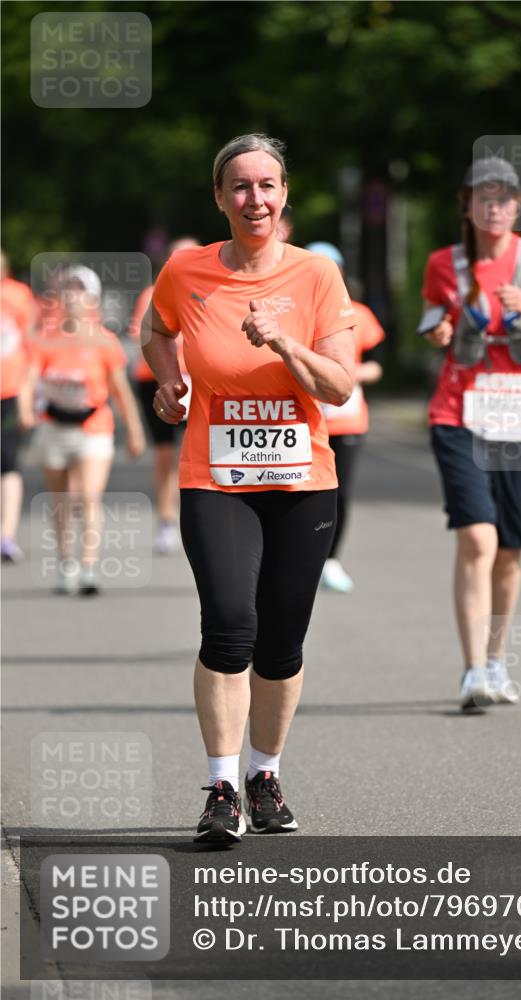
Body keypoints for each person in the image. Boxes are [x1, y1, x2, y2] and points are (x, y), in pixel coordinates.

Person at [140, 133, 356, 843]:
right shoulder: (186, 270)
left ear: (284, 194)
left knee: (281, 642)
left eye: (266, 185)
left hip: (302, 484)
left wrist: (284, 342)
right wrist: (170, 381)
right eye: (240, 186)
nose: (254, 198)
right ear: (219, 197)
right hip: (217, 479)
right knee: (230, 627)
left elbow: (338, 386)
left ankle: (266, 775)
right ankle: (222, 787)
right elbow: (154, 329)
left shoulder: (316, 276)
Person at [420, 157, 521, 711]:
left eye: (504, 198)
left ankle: (497, 661)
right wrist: (439, 331)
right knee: (478, 538)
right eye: (483, 198)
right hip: (458, 415)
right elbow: (432, 324)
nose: (494, 208)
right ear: (467, 205)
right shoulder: (444, 263)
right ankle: (472, 671)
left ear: (517, 206)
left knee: (510, 549)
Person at [24, 265, 145, 594]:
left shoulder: (104, 341)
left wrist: (135, 431)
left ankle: (88, 568)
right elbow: (30, 378)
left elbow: (120, 390)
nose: (72, 298)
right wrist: (25, 408)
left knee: (90, 497)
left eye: (79, 292)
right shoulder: (46, 338)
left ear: (92, 299)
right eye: (67, 291)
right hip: (54, 426)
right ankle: (67, 563)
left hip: (94, 426)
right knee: (60, 500)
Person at [305, 242, 385, 593]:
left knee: (339, 493)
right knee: (302, 492)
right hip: (304, 420)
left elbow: (377, 366)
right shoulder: (293, 312)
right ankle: (302, 558)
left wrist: (347, 375)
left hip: (346, 418)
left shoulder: (360, 314)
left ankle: (331, 560)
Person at [128, 237, 199, 554]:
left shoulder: (211, 289)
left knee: (201, 449)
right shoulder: (152, 293)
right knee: (165, 453)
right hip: (156, 379)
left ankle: (202, 514)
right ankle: (167, 519)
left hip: (198, 378)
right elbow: (146, 335)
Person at [0, 250, 35, 562]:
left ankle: (6, 536)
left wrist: (26, 399)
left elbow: (30, 348)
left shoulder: (19, 295)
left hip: (8, 392)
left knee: (8, 464)